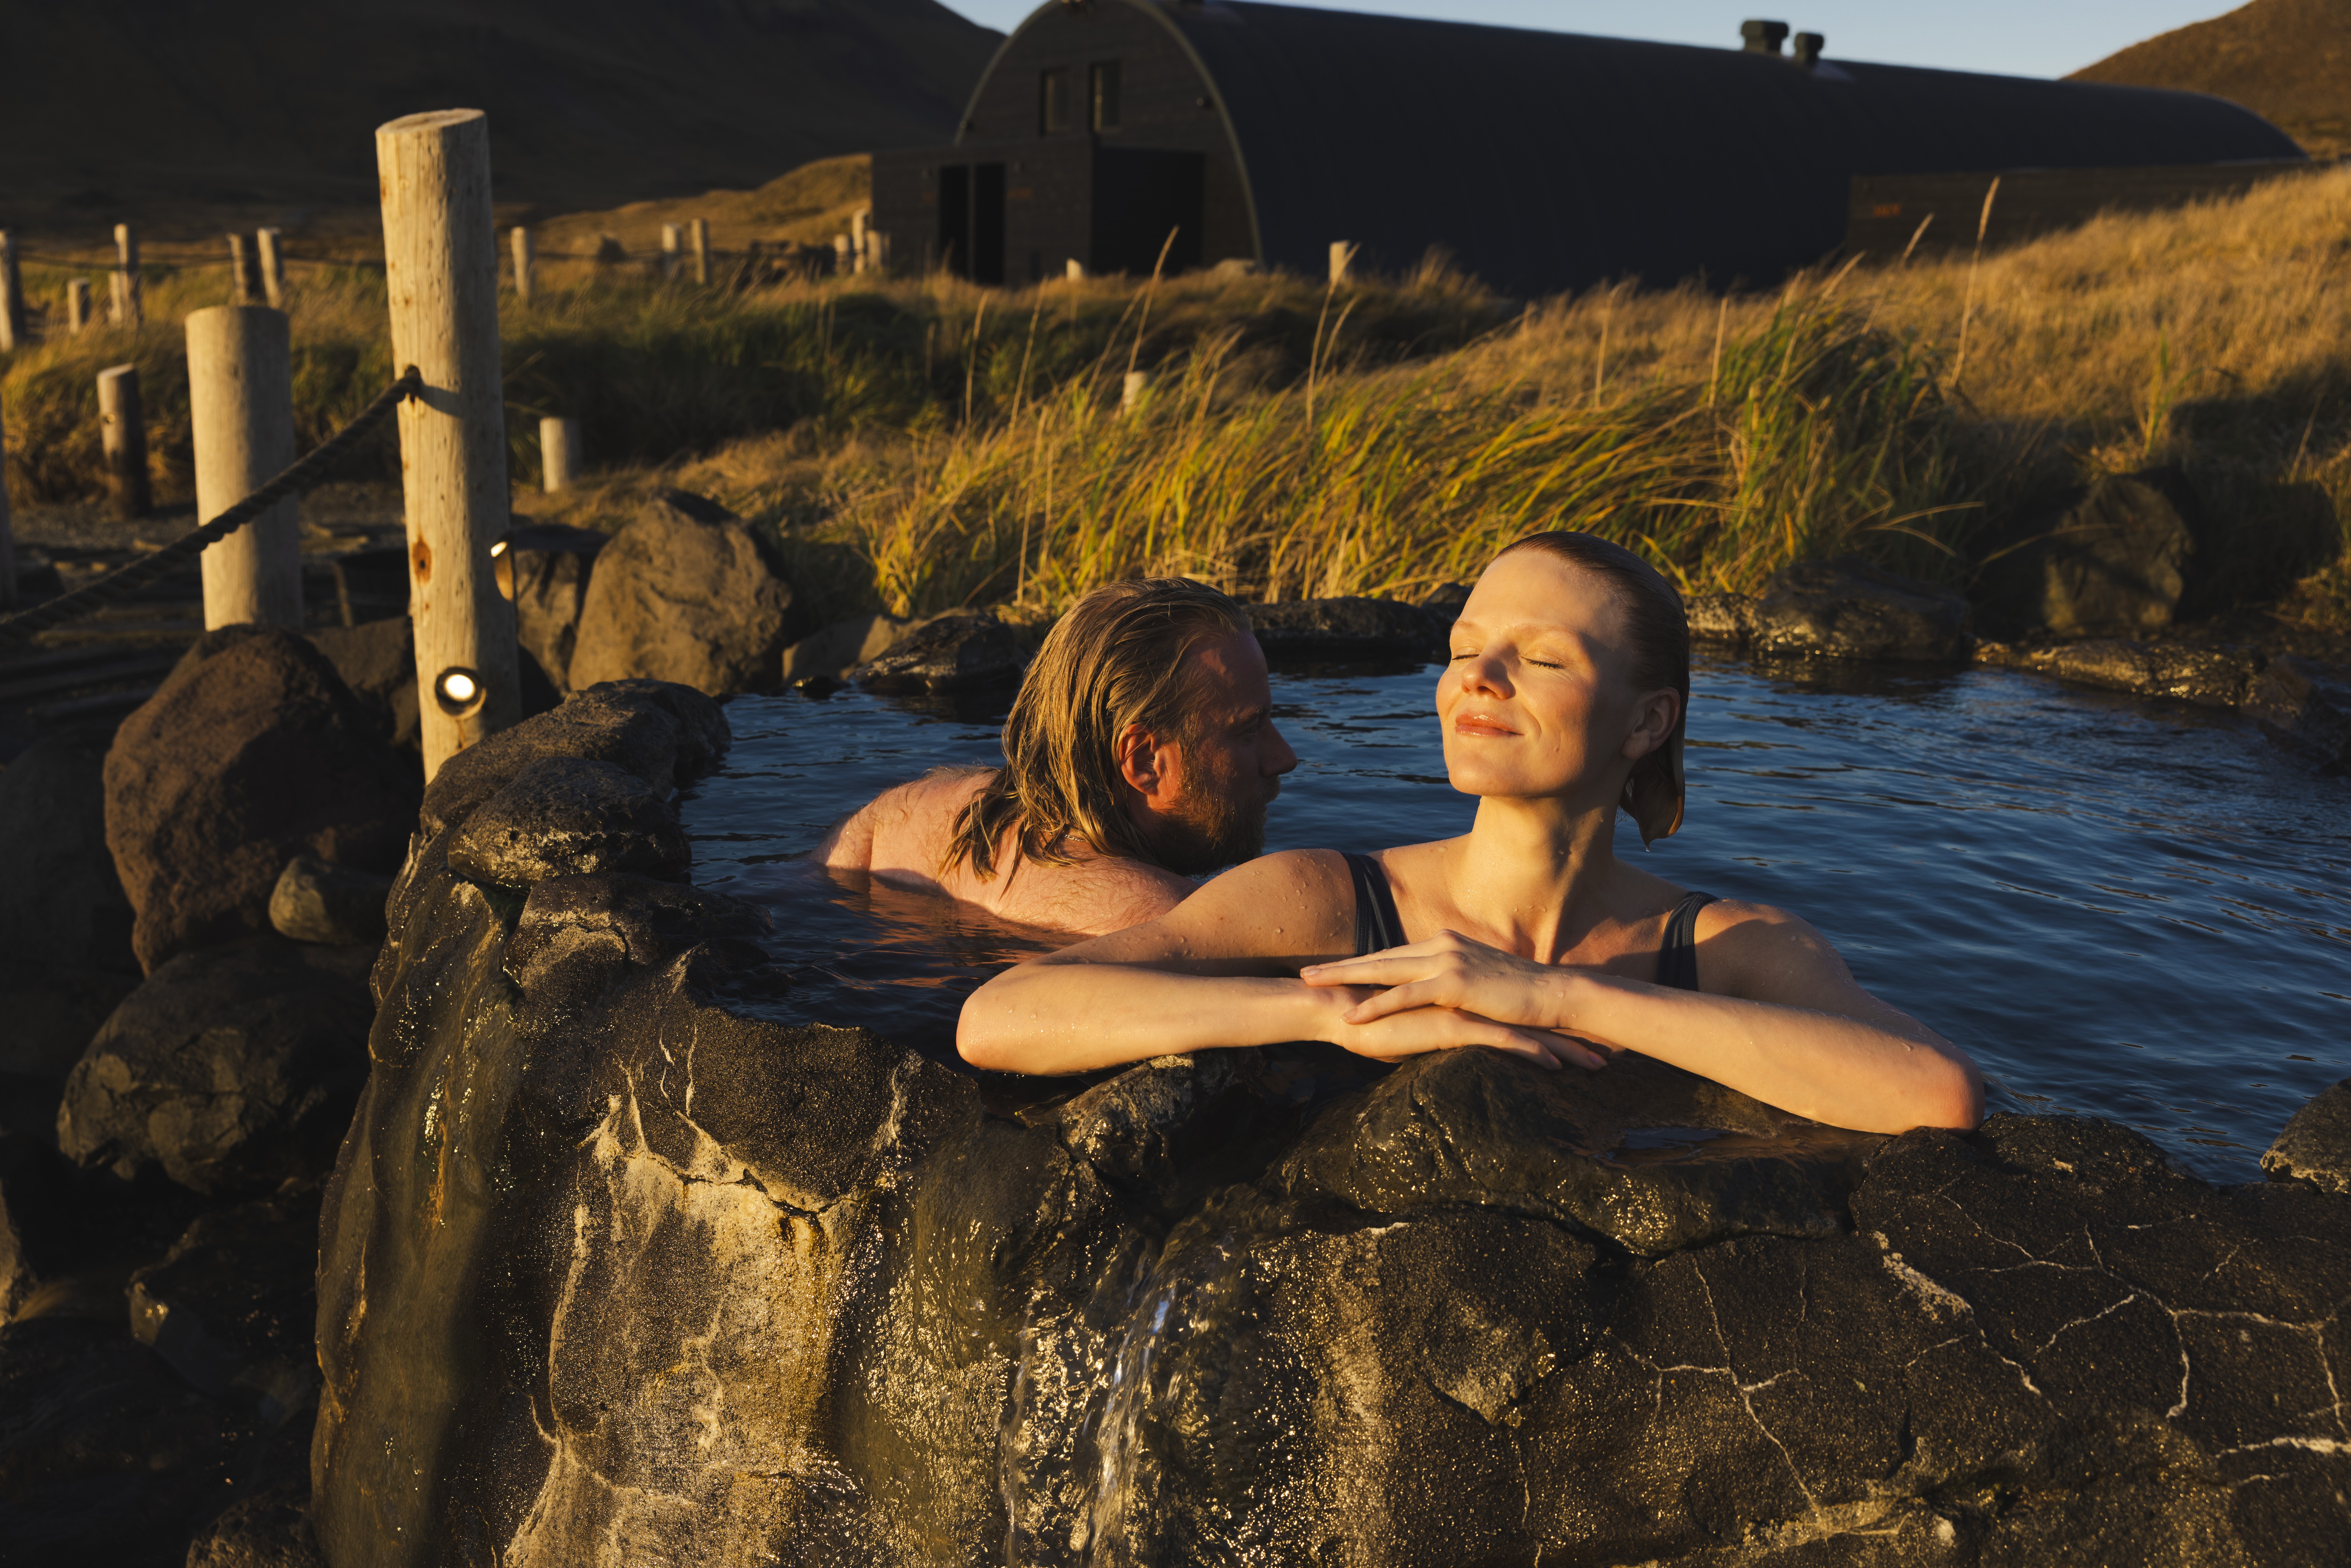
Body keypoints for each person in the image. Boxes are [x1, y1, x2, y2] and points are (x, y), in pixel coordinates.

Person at [959, 531, 1983, 1136]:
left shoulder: (1727, 947)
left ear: (1645, 721)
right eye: (1463, 649)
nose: (1475, 680)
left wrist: (1556, 995)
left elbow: (1934, 1091)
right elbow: (1003, 1018)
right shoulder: (1328, 901)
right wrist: (1331, 1018)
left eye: (1538, 659)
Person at [817, 577, 1299, 936]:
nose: (1285, 757)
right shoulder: (1169, 925)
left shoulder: (898, 819)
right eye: (1249, 729)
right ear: (1145, 761)